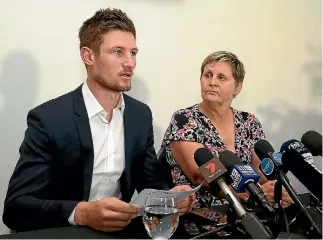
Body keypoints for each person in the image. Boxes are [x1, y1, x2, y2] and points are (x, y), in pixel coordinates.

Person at [3, 8, 194, 233]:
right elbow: (16, 208)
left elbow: (150, 183)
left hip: (120, 232)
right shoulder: (49, 119)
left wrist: (170, 197)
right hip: (62, 232)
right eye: (118, 52)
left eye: (133, 52)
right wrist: (82, 213)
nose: (130, 63)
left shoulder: (140, 115)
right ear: (88, 56)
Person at [161, 51, 293, 222]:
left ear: (237, 87)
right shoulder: (184, 120)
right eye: (208, 75)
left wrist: (277, 188)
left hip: (248, 212)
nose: (212, 82)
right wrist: (250, 193)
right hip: (200, 215)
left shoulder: (249, 122)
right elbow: (202, 175)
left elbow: (261, 171)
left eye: (221, 77)